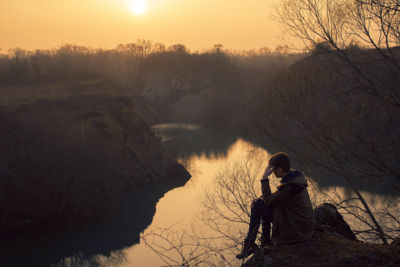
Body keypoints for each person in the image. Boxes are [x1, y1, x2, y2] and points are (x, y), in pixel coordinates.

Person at [236, 152, 315, 259]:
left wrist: (264, 178)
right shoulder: (296, 178)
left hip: (295, 231)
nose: (271, 172)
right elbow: (273, 199)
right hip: (302, 226)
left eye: (272, 169)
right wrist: (262, 199)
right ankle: (265, 241)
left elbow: (269, 200)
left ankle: (250, 244)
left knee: (257, 204)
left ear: (280, 170)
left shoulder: (289, 187)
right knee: (261, 203)